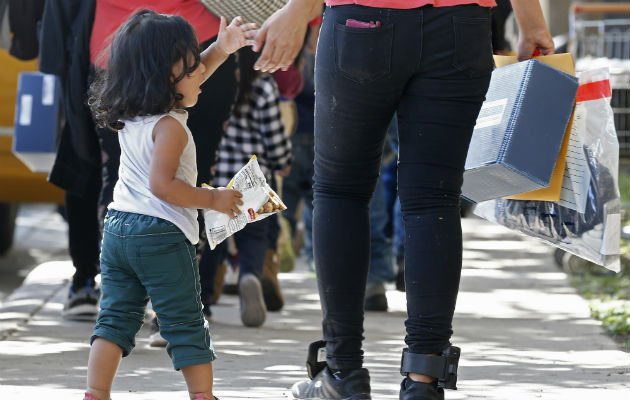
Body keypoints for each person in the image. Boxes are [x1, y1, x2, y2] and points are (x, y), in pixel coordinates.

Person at [253, 0, 554, 399]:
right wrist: (531, 21)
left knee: (341, 191)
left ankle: (342, 374)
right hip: (459, 25)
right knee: (434, 199)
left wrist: (297, 10)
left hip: (362, 21)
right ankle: (424, 380)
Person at [82, 10, 255, 400]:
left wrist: (221, 49)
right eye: (192, 68)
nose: (201, 75)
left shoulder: (133, 113)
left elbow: (190, 81)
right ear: (166, 78)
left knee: (114, 320)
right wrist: (214, 199)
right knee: (185, 322)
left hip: (118, 229)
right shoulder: (171, 128)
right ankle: (202, 395)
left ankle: (96, 392)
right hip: (159, 233)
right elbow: (165, 187)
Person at [202, 46, 292, 326]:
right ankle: (250, 274)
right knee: (254, 236)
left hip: (216, 175)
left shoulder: (212, 77)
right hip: (252, 175)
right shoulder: (263, 83)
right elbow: (274, 133)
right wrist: (282, 161)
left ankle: (202, 302)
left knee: (210, 242)